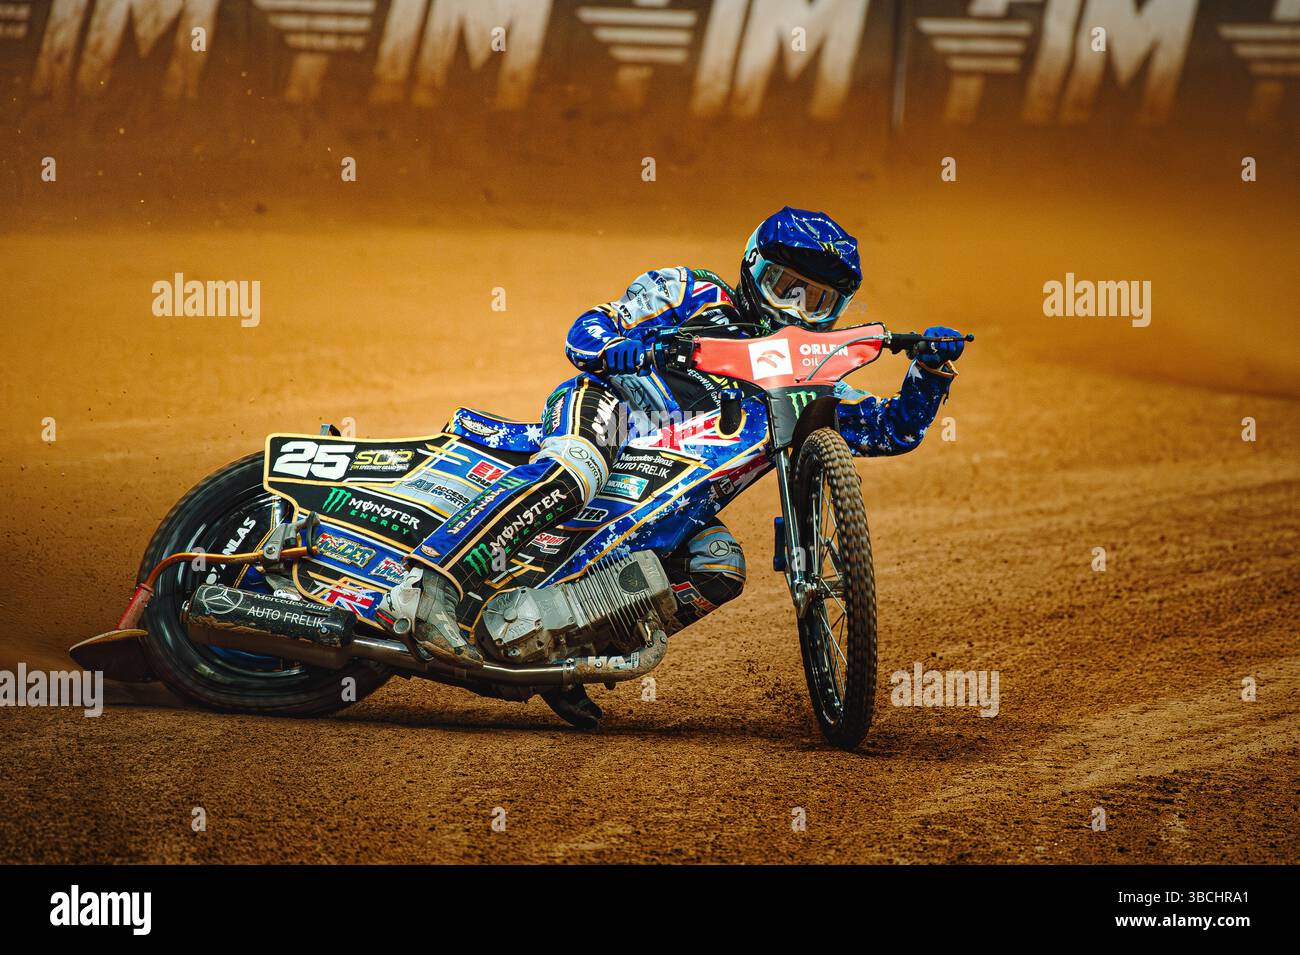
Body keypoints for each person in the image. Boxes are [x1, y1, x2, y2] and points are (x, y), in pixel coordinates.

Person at [381, 207, 966, 669]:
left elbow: (894, 429)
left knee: (719, 567)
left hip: (668, 500)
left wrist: (930, 372)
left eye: (819, 301)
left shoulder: (805, 393)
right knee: (576, 468)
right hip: (611, 413)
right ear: (752, 268)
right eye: (785, 286)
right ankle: (430, 584)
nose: (797, 308)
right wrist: (616, 346)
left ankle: (562, 648)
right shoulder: (690, 290)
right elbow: (587, 329)